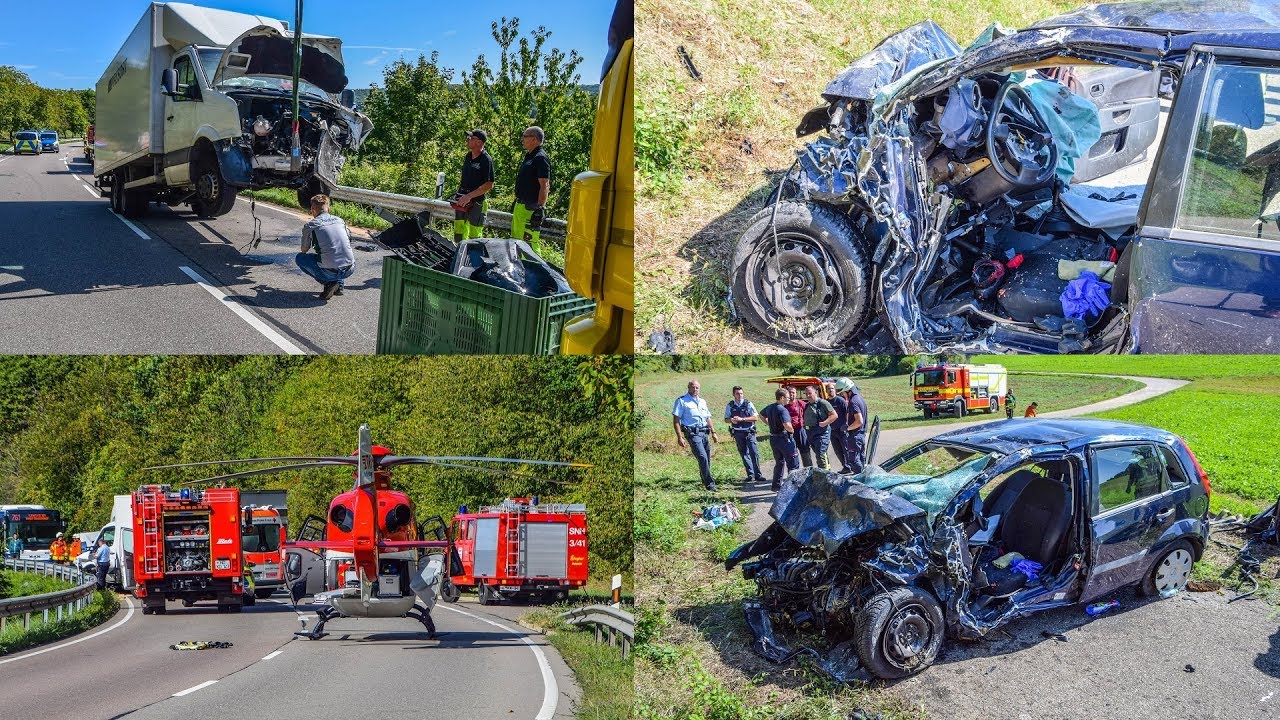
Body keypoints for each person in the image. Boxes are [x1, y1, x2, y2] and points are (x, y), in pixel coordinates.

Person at [296, 193, 355, 301]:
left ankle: (330, 283)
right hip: (350, 268)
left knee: (300, 258)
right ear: (328, 208)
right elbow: (347, 242)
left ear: (312, 209)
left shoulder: (310, 226)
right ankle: (339, 285)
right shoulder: (340, 221)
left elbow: (304, 250)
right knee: (336, 253)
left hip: (329, 270)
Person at [673, 380, 720, 491]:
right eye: (693, 387)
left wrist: (713, 432)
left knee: (707, 458)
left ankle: (705, 479)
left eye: (697, 387)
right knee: (702, 457)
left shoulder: (702, 401)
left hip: (705, 433)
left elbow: (708, 418)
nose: (695, 390)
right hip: (693, 434)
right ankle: (710, 484)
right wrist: (680, 437)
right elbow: (676, 420)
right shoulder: (682, 401)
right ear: (688, 387)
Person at [452, 129, 496, 242]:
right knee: (459, 231)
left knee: (474, 236)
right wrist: (460, 196)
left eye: (471, 138)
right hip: (462, 199)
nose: (467, 140)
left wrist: (469, 196)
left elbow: (489, 184)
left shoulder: (486, 160)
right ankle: (458, 253)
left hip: (477, 202)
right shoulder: (468, 156)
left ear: (479, 142)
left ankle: (472, 258)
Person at [511, 126, 551, 246]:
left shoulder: (540, 157)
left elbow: (545, 185)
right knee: (516, 241)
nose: (522, 139)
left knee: (529, 243)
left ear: (534, 139)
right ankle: (520, 264)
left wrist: (540, 208)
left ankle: (533, 264)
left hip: (531, 208)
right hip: (521, 206)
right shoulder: (529, 156)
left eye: (525, 137)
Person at [760, 388, 799, 491]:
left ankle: (776, 486)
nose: (789, 399)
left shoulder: (770, 407)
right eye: (787, 397)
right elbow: (786, 424)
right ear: (781, 398)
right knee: (793, 463)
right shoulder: (782, 409)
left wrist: (768, 423)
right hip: (784, 439)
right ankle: (793, 487)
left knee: (779, 462)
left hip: (773, 439)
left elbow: (761, 414)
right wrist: (792, 431)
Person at [724, 386, 764, 485]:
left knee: (754, 453)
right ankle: (750, 474)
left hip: (749, 432)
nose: (740, 395)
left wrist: (742, 419)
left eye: (741, 393)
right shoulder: (730, 405)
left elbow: (755, 418)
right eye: (737, 393)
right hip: (737, 432)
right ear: (733, 394)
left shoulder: (748, 404)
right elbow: (726, 419)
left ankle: (758, 474)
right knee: (744, 454)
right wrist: (732, 420)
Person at [802, 385, 838, 470]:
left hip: (822, 433)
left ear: (816, 392)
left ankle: (824, 475)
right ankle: (827, 472)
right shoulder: (807, 405)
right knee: (820, 454)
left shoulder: (823, 403)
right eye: (806, 394)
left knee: (820, 453)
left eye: (810, 393)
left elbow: (834, 415)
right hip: (811, 433)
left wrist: (825, 423)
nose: (807, 396)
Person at [843, 379, 869, 474]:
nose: (842, 395)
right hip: (860, 435)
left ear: (848, 391)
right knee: (861, 458)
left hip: (855, 435)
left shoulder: (853, 401)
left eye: (843, 393)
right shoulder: (860, 398)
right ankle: (863, 478)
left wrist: (847, 428)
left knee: (854, 460)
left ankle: (859, 481)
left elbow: (859, 421)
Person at [826, 381, 851, 473]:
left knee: (846, 449)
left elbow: (848, 413)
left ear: (835, 390)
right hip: (832, 431)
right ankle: (845, 467)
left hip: (842, 430)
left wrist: (847, 426)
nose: (830, 390)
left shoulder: (841, 400)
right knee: (838, 450)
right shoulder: (826, 402)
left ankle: (851, 466)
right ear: (826, 391)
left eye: (832, 388)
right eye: (828, 389)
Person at [784, 386, 811, 468]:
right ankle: (795, 472)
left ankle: (809, 470)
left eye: (793, 392)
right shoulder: (784, 405)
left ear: (796, 394)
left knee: (805, 451)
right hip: (788, 432)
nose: (792, 394)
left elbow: (809, 414)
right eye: (790, 392)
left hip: (800, 430)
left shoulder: (801, 403)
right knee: (792, 453)